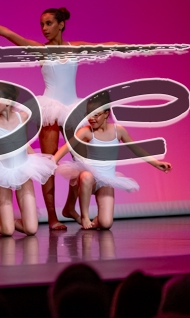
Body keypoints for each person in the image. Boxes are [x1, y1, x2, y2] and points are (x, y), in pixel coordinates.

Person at [0, 8, 124, 230]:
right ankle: (53, 217)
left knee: (83, 161)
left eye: (49, 23)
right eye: (42, 24)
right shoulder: (41, 50)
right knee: (49, 164)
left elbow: (104, 46)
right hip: (49, 110)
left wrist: (131, 47)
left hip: (72, 107)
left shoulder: (74, 48)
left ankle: (70, 207)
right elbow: (9, 34)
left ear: (61, 24)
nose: (44, 29)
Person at [53, 91, 172, 229]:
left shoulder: (118, 131)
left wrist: (156, 163)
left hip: (106, 180)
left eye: (96, 115)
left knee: (106, 224)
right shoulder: (86, 131)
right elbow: (67, 147)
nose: (91, 118)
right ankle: (85, 216)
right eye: (89, 114)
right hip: (90, 179)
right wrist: (52, 161)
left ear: (106, 114)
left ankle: (97, 220)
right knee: (86, 176)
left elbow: (136, 149)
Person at [0, 83, 56, 236]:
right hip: (2, 171)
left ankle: (8, 221)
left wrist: (41, 160)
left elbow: (22, 143)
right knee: (7, 231)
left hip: (23, 169)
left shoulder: (23, 117)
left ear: (9, 100)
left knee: (31, 229)